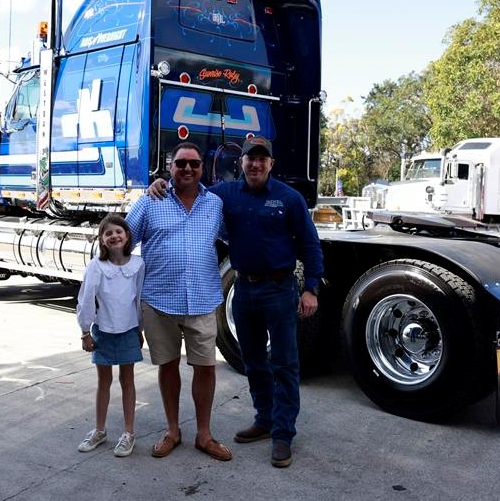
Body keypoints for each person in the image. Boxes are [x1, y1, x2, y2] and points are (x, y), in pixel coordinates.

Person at [148, 136, 324, 468]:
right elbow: (188, 190)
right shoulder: (223, 195)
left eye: (262, 159)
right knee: (253, 360)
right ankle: (264, 419)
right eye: (250, 159)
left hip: (279, 289)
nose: (255, 164)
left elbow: (310, 243)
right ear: (240, 163)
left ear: (271, 164)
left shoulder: (289, 198)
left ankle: (283, 433)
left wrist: (311, 287)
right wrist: (159, 183)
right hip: (243, 290)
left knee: (285, 363)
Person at [125, 142, 233, 462]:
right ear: (169, 167)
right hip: (159, 302)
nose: (187, 169)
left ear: (202, 168)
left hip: (202, 300)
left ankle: (204, 435)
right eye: (181, 163)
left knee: (206, 368)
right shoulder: (151, 201)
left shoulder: (214, 204)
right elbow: (122, 239)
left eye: (194, 164)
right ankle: (173, 431)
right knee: (167, 367)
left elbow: (234, 236)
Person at [75, 214, 145, 458]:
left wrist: (140, 330)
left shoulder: (137, 265)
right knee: (103, 382)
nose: (114, 236)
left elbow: (138, 299)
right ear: (102, 240)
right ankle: (100, 430)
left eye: (119, 231)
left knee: (128, 381)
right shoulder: (96, 266)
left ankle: (128, 433)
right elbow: (85, 299)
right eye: (108, 233)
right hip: (102, 331)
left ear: (127, 236)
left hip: (128, 331)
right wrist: (85, 331)